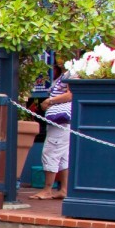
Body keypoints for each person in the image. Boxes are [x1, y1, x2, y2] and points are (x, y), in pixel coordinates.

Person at [32, 70, 72, 200]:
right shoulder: (68, 72)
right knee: (63, 156)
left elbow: (71, 94)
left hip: (60, 121)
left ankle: (47, 189)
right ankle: (64, 189)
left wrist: (50, 101)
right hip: (64, 122)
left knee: (51, 152)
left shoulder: (74, 72)